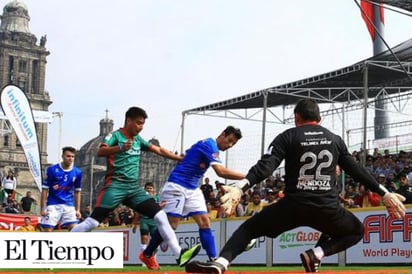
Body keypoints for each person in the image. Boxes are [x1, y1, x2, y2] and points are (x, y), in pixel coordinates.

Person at [185, 98, 406, 274]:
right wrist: (384, 193)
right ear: (319, 118)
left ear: (296, 118)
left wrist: (240, 187)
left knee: (249, 228)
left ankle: (221, 263)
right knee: (356, 231)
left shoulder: (288, 136)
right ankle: (317, 254)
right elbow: (357, 169)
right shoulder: (335, 139)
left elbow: (267, 166)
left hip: (292, 206)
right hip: (326, 208)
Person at [71, 106, 200, 270]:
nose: (141, 127)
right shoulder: (115, 136)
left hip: (133, 189)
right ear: (129, 121)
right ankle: (58, 250)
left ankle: (179, 254)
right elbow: (100, 151)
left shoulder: (138, 140)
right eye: (139, 123)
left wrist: (179, 158)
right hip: (115, 186)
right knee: (91, 222)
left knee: (161, 216)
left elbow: (157, 149)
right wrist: (120, 148)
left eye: (143, 124)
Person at [141, 126, 245, 265]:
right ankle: (147, 254)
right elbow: (220, 172)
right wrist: (247, 176)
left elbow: (189, 154)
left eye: (233, 144)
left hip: (193, 188)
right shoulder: (210, 145)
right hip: (176, 185)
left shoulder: (207, 146)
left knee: (205, 222)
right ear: (222, 134)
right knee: (172, 225)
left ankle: (214, 260)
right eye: (230, 140)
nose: (230, 145)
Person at [40, 146, 82, 231]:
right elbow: (45, 190)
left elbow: (77, 192)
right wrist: (43, 208)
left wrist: (77, 210)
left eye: (72, 156)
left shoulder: (77, 172)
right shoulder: (52, 169)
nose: (70, 158)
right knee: (47, 231)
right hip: (53, 204)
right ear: (62, 156)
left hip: (69, 205)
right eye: (68, 156)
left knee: (74, 230)